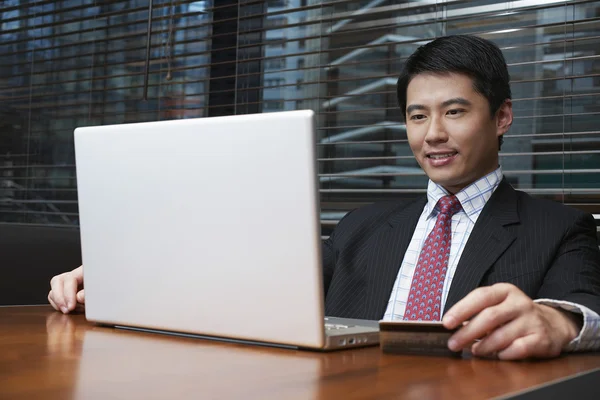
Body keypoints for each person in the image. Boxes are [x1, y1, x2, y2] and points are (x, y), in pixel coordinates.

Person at [48, 35, 600, 360]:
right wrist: (118, 279)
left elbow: (581, 308)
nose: (432, 133)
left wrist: (560, 323)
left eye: (454, 111)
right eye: (416, 114)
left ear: (502, 116)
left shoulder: (557, 227)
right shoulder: (362, 224)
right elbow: (251, 282)